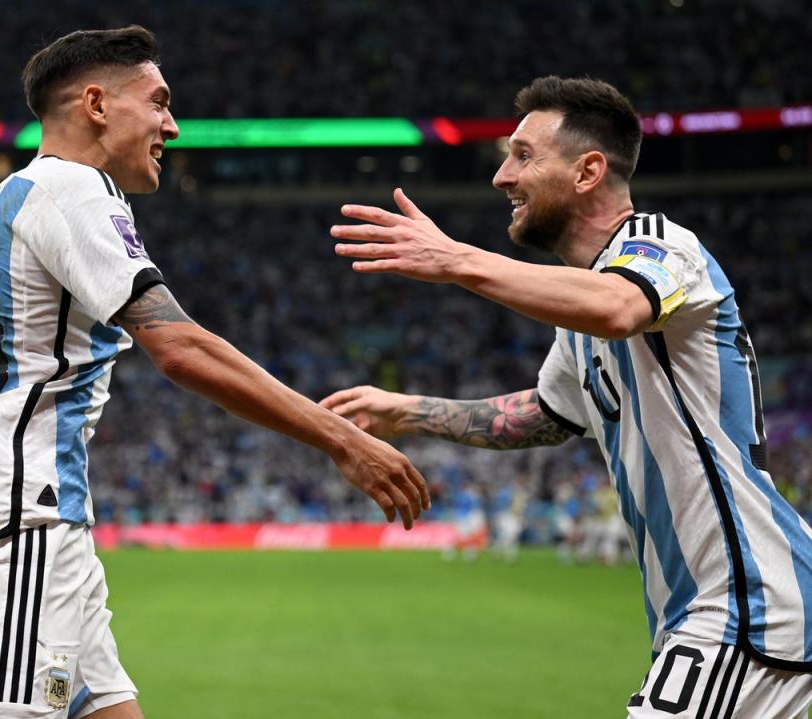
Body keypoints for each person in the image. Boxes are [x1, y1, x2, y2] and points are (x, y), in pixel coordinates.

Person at [0, 26, 429, 719]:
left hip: (11, 522)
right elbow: (180, 346)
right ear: (95, 103)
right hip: (16, 531)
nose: (173, 126)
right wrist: (340, 436)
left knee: (107, 709)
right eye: (158, 102)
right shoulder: (75, 189)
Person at [321, 75, 812, 717]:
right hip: (715, 608)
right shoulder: (579, 309)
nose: (502, 177)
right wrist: (406, 411)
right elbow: (544, 417)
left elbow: (618, 308)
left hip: (747, 603)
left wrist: (454, 259)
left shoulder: (664, 246)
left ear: (588, 172)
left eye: (523, 155)